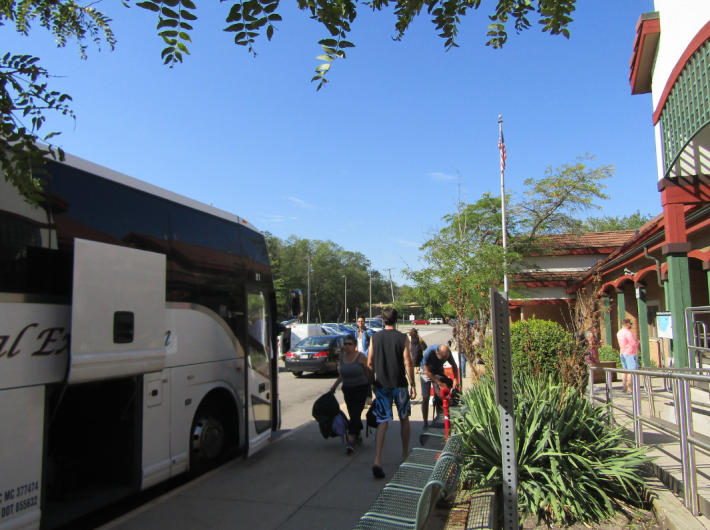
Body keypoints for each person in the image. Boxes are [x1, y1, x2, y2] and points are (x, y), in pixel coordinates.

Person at [367, 307, 416, 479]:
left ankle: (378, 460)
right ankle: (404, 455)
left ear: (382, 320)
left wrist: (373, 382)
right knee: (404, 418)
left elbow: (370, 363)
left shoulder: (375, 337)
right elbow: (408, 362)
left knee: (382, 421)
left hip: (382, 385)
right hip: (400, 385)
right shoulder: (403, 338)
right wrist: (413, 384)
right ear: (396, 321)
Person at [330, 338, 373, 454]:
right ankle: (358, 436)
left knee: (355, 412)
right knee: (352, 412)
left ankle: (351, 440)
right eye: (345, 344)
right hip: (347, 388)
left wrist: (373, 385)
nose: (347, 346)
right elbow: (342, 375)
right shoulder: (342, 357)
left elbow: (368, 370)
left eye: (349, 344)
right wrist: (334, 386)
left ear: (355, 346)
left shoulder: (360, 356)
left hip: (361, 387)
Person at [420, 344, 459, 427]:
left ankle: (440, 420)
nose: (444, 360)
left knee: (440, 397)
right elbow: (427, 372)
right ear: (437, 353)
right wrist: (439, 383)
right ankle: (425, 423)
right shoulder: (428, 352)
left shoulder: (447, 352)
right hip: (426, 372)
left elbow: (454, 365)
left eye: (445, 359)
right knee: (426, 397)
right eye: (442, 359)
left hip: (438, 372)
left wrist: (455, 379)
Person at [617, 318, 640, 393]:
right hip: (630, 353)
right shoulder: (628, 333)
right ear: (627, 324)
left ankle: (624, 386)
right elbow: (633, 343)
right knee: (631, 371)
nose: (631, 325)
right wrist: (637, 342)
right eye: (630, 324)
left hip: (622, 352)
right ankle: (630, 388)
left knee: (625, 370)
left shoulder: (619, 332)